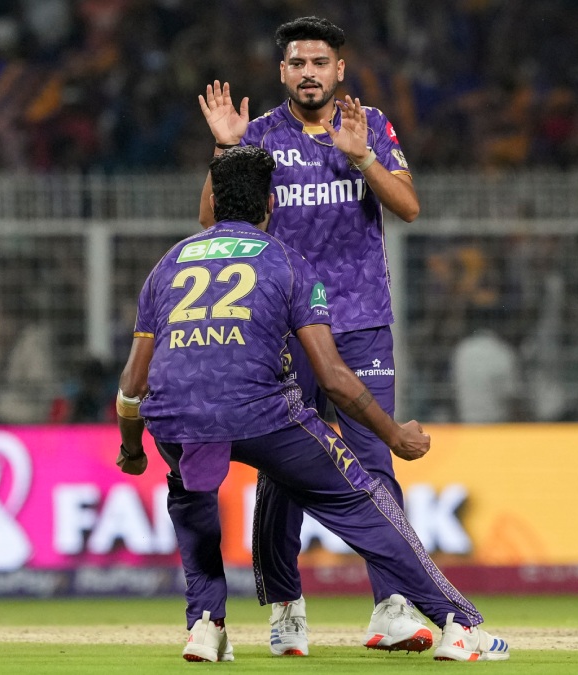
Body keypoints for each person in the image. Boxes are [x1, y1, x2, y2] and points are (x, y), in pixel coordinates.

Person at [116, 146, 508, 663]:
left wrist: (132, 449)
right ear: (271, 203)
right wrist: (393, 434)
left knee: (192, 502)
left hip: (175, 418)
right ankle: (458, 624)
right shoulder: (286, 261)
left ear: (214, 201)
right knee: (361, 499)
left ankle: (206, 626)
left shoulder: (167, 265)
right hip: (261, 414)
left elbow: (131, 384)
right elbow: (334, 379)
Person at [196, 16, 429, 655]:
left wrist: (361, 157)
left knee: (374, 461)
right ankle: (286, 607)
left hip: (360, 320)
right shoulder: (260, 135)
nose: (308, 73)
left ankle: (392, 606)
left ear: (339, 70)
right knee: (284, 469)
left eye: (319, 62)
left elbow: (409, 207)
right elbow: (210, 223)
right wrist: (225, 150)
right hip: (282, 326)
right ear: (282, 72)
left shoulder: (369, 124)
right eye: (297, 63)